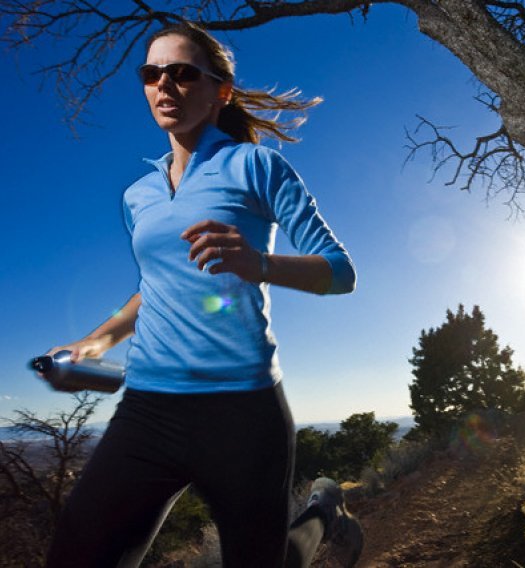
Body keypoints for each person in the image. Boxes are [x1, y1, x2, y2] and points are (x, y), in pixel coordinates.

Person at [40, 22, 362, 567]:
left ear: (220, 92)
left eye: (183, 72)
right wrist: (90, 347)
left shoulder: (257, 166)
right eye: (151, 74)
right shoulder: (137, 194)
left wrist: (256, 263)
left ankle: (324, 514)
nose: (164, 84)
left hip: (242, 411)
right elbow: (154, 289)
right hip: (148, 410)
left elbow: (340, 271)